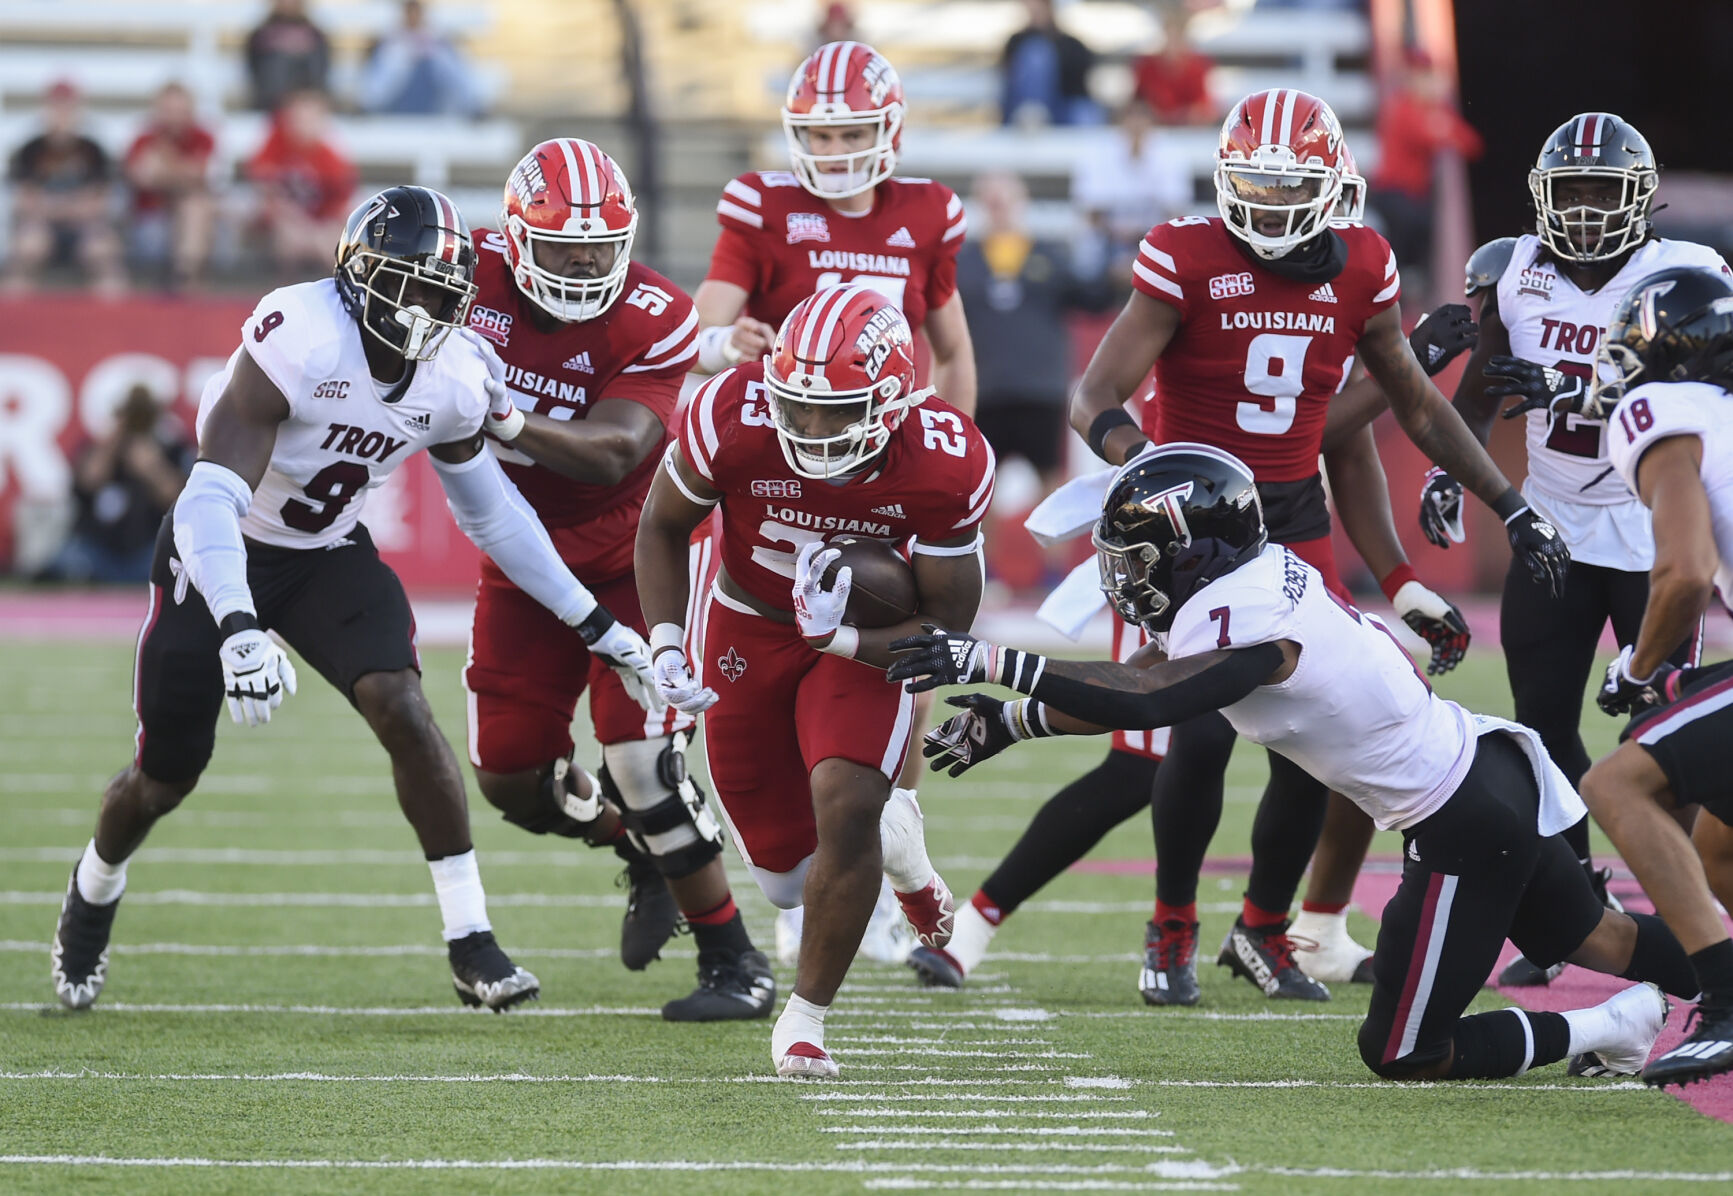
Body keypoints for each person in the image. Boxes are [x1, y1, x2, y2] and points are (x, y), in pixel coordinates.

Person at [937, 90, 1543, 1005]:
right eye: (1250, 184)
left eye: (1283, 185)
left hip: (1291, 524)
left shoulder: (1363, 265)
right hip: (1186, 537)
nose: (1262, 203)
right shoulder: (1185, 254)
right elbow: (1094, 394)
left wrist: (1503, 505)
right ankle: (1170, 926)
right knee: (1192, 730)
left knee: (1311, 732)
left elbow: (1403, 410)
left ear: (1331, 186)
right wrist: (1148, 469)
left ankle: (1268, 928)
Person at [889, 443, 1701, 1082]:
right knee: (1599, 937)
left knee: (1404, 1052)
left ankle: (1612, 1026)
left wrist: (987, 659)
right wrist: (1015, 720)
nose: (1122, 575)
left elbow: (1150, 703)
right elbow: (1141, 675)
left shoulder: (1255, 617)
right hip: (1484, 776)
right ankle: (1723, 985)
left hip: (1465, 819)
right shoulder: (1242, 584)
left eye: (1134, 557)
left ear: (1191, 551)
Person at [48, 186, 663, 1016]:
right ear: (355, 273)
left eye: (438, 295)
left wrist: (594, 624)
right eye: (403, 286)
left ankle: (470, 940)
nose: (418, 311)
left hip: (326, 555)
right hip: (221, 550)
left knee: (403, 706)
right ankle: (95, 886)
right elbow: (205, 498)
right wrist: (235, 625)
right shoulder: (299, 334)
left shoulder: (452, 373)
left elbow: (491, 511)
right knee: (163, 778)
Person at [635, 284, 995, 1078]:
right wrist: (665, 638)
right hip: (744, 623)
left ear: (893, 402)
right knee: (784, 880)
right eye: (797, 407)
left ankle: (806, 1021)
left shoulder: (944, 456)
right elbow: (661, 526)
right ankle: (905, 851)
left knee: (848, 799)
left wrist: (846, 636)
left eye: (837, 411)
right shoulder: (732, 410)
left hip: (865, 644)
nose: (811, 427)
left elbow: (945, 627)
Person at [1417, 114, 1730, 988]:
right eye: (1573, 192)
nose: (1587, 211)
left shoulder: (1685, 274)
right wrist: (1456, 472)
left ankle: (1700, 922)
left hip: (1653, 532)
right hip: (1550, 526)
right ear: (1541, 198)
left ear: (1639, 196)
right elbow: (1479, 387)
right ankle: (1575, 910)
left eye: (1603, 192)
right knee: (1542, 727)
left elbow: (1696, 385)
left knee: (1673, 737)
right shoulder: (1512, 270)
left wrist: (1568, 385)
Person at [463, 138, 772, 1021]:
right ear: (518, 237)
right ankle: (641, 852)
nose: (588, 262)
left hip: (639, 554)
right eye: (566, 248)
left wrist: (501, 416)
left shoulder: (651, 313)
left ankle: (734, 960)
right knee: (509, 775)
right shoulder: (463, 274)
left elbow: (618, 452)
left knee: (640, 760)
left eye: (603, 246)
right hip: (521, 554)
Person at [693, 39, 976, 964]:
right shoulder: (762, 202)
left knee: (901, 665)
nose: (838, 146)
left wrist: (944, 464)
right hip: (781, 463)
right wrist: (720, 339)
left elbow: (950, 347)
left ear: (889, 127)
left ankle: (883, 840)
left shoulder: (928, 211)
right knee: (758, 683)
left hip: (879, 474)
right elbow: (711, 320)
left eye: (854, 128)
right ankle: (805, 873)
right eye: (820, 131)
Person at [1578, 265, 1733, 1087]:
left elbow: (1683, 570)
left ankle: (1724, 1002)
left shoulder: (1658, 410)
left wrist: (1637, 670)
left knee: (1614, 784)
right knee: (1717, 848)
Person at [40, 384, 194, 584]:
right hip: (98, 550)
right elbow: (88, 482)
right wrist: (113, 443)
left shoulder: (172, 448)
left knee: (175, 563)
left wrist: (153, 469)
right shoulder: (99, 447)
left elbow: (180, 500)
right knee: (65, 560)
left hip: (149, 550)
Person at [1366, 50, 1483, 279]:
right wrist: (1442, 126)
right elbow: (1425, 136)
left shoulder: (1436, 111)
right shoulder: (1401, 107)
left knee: (1422, 225)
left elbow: (1472, 144)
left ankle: (1408, 281)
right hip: (1391, 192)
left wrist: (1441, 124)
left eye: (1427, 76)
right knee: (1408, 224)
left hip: (1413, 196)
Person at [3, 79, 126, 296]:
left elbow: (99, 205)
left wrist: (52, 206)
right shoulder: (29, 150)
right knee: (27, 247)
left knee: (103, 250)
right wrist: (72, 206)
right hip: (42, 227)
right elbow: (24, 203)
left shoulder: (94, 150)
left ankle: (111, 321)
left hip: (84, 228)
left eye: (67, 107)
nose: (62, 114)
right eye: (56, 107)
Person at [1071, 99, 1192, 291]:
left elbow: (1174, 213)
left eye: (1142, 117)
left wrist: (1140, 247)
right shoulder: (1097, 152)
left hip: (1153, 242)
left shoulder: (1170, 154)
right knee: (1089, 256)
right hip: (1108, 243)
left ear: (1152, 122)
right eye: (1131, 117)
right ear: (1119, 121)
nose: (1136, 124)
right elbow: (1091, 214)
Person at [247, 90, 357, 280]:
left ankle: (335, 287)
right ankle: (284, 288)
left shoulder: (330, 159)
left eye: (310, 120)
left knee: (331, 243)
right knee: (288, 237)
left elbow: (340, 204)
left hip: (319, 222)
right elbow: (264, 184)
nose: (303, 126)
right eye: (298, 119)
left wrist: (316, 231)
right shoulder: (277, 144)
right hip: (282, 218)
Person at [123, 82, 217, 289]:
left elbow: (203, 176)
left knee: (195, 208)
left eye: (180, 111)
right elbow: (142, 177)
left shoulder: (203, 137)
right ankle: (187, 280)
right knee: (195, 206)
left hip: (187, 218)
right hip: (151, 219)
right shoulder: (144, 139)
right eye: (169, 111)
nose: (174, 117)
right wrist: (185, 172)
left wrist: (165, 163)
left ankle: (185, 276)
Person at [359, 1, 484, 118]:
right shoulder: (392, 37)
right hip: (397, 93)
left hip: (429, 87)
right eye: (410, 14)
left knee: (444, 59)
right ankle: (368, 105)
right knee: (396, 58)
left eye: (416, 14)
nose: (413, 17)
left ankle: (473, 105)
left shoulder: (435, 35)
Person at [999, 0, 1100, 127]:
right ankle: (1033, 113)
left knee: (1084, 113)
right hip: (1023, 112)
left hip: (1063, 109)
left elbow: (1079, 85)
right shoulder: (1017, 41)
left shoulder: (1073, 45)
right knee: (1036, 51)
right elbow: (1009, 80)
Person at [1131, 3, 1215, 126]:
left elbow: (1204, 111)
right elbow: (1135, 106)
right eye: (1169, 36)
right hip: (1154, 132)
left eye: (1177, 37)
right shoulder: (1146, 67)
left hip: (1187, 134)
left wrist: (1181, 116)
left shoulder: (1198, 67)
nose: (1172, 44)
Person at [245, 0, 331, 113]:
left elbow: (320, 70)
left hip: (308, 105)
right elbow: (255, 71)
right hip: (270, 104)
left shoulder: (315, 35)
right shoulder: (260, 35)